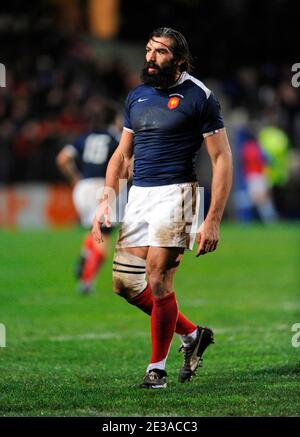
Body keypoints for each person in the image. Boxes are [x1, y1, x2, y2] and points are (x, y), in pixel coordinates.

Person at [92, 27, 233, 388]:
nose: (150, 58)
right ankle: (192, 334)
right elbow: (123, 155)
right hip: (140, 195)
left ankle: (157, 370)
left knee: (157, 275)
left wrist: (212, 218)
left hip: (178, 194)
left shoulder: (199, 96)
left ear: (179, 60)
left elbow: (222, 159)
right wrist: (107, 201)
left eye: (160, 52)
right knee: (125, 283)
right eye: (148, 50)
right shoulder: (137, 96)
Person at [57, 101, 121, 293]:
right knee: (105, 236)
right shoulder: (115, 137)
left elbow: (62, 158)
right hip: (102, 187)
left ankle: (86, 254)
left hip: (83, 187)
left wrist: (75, 177)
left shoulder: (84, 137)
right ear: (113, 119)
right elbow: (127, 163)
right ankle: (87, 281)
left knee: (93, 230)